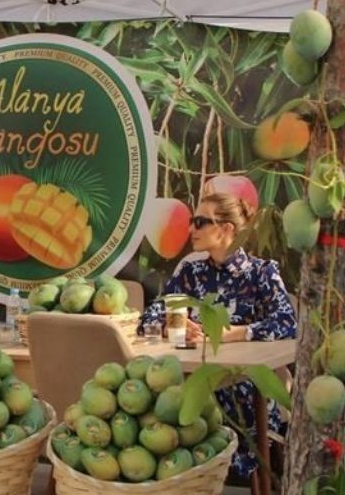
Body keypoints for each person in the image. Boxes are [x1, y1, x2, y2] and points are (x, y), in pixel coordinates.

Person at [137, 191, 297, 478]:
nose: (190, 229)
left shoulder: (261, 273)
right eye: (191, 221)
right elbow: (149, 316)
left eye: (200, 222)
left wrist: (235, 334)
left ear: (227, 229)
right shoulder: (190, 272)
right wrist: (171, 324)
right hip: (189, 377)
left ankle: (215, 465)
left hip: (242, 383)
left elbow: (287, 323)